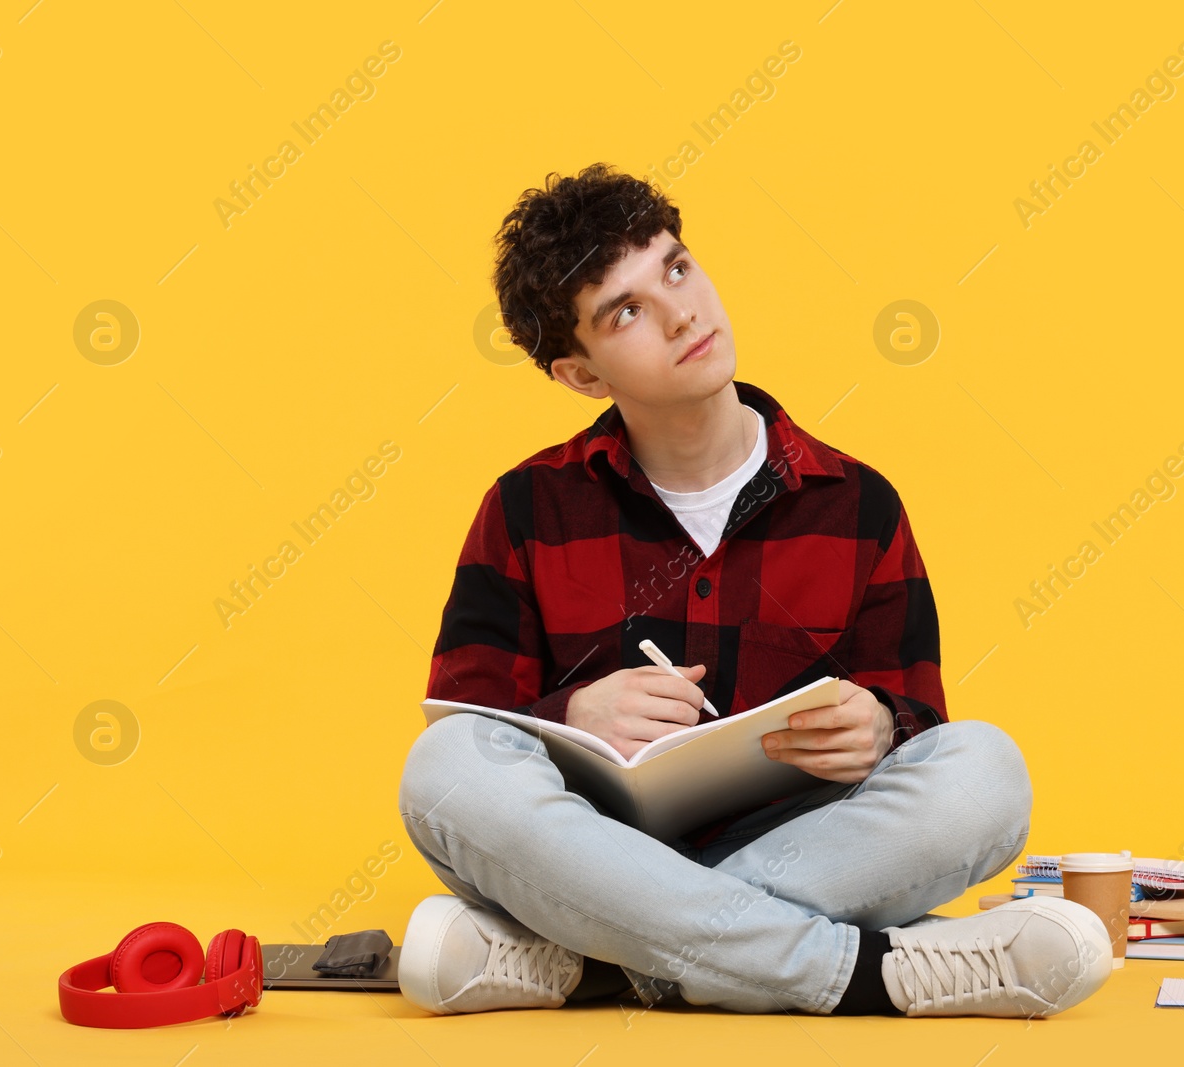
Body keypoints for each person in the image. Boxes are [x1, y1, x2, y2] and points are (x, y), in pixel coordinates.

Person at [396, 163, 1112, 1018]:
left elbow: (920, 714)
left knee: (985, 773)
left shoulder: (858, 502)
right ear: (582, 375)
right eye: (625, 311)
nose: (682, 312)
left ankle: (592, 963)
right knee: (441, 772)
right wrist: (571, 713)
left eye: (675, 267)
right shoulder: (525, 507)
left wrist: (883, 723)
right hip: (587, 850)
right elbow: (469, 720)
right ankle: (860, 975)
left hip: (803, 845)